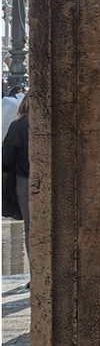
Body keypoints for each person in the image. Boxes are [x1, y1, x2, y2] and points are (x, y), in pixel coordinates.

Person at [1, 93, 28, 288]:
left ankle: (37, 275)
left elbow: (6, 157)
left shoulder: (18, 126)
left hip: (25, 182)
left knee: (31, 228)